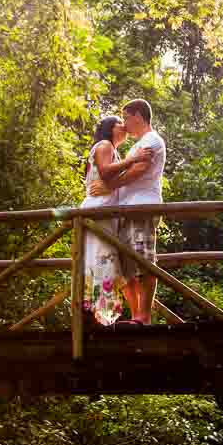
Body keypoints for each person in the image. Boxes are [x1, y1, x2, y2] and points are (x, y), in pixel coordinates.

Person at [89, 99, 165, 325]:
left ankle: (144, 316)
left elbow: (140, 169)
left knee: (143, 261)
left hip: (142, 206)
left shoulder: (151, 140)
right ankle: (136, 316)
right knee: (126, 267)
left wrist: (110, 187)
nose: (124, 124)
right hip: (127, 210)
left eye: (126, 118)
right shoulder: (138, 144)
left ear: (138, 116)